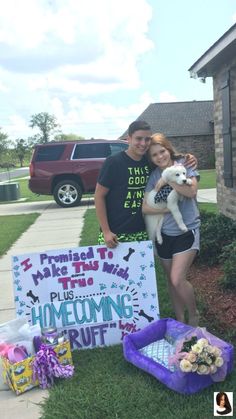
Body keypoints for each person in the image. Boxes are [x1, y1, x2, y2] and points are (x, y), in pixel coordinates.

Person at [95, 120, 197, 249]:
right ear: (129, 138)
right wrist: (106, 231)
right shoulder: (113, 162)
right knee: (113, 269)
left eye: (147, 139)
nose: (143, 143)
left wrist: (188, 157)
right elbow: (99, 196)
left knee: (140, 269)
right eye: (138, 139)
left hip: (141, 231)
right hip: (114, 233)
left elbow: (168, 160)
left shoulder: (150, 162)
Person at [142, 133, 200, 326]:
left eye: (162, 151)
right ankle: (179, 320)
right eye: (154, 155)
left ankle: (193, 315)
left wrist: (168, 179)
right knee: (170, 280)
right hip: (165, 234)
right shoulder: (153, 176)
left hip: (187, 231)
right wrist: (167, 209)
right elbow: (146, 207)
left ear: (168, 149)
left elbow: (191, 192)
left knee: (177, 278)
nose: (160, 157)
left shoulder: (185, 164)